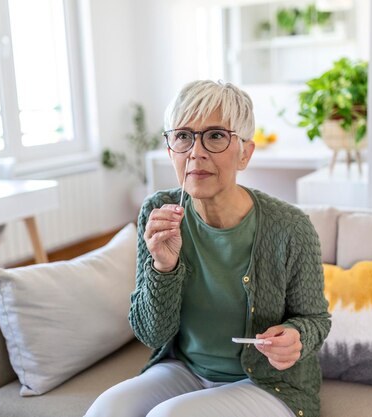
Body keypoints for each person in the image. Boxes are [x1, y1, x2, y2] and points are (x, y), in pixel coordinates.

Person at [85, 80, 330, 417]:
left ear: (245, 152)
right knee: (106, 410)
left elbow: (315, 319)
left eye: (215, 135)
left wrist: (295, 335)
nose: (195, 152)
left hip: (267, 384)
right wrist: (163, 267)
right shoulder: (158, 213)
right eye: (183, 136)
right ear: (171, 151)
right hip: (185, 371)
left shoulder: (291, 227)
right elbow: (151, 334)